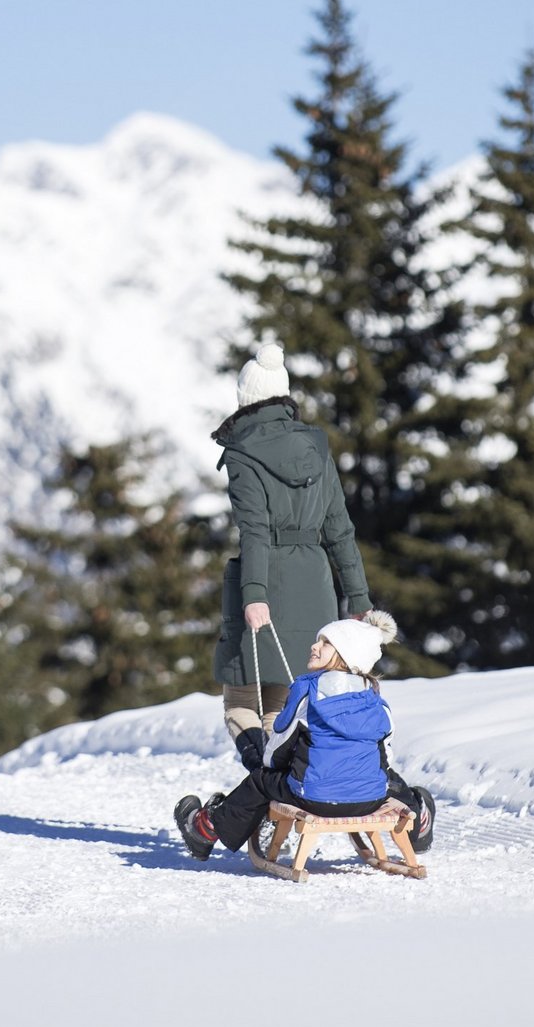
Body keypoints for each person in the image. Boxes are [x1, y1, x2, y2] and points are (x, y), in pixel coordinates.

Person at [211, 344, 370, 762]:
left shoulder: (243, 453)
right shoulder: (317, 447)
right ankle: (279, 798)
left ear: (245, 400)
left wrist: (255, 594)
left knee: (241, 702)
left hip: (266, 583)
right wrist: (358, 598)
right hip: (315, 586)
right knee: (287, 702)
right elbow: (340, 528)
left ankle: (265, 792)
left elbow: (255, 532)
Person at [175, 611, 434, 860]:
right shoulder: (377, 703)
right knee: (385, 775)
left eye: (326, 644)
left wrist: (275, 768)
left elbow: (278, 748)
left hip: (312, 798)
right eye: (318, 640)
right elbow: (385, 754)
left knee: (261, 781)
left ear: (346, 656)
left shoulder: (307, 694)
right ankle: (418, 827)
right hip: (369, 800)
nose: (315, 646)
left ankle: (204, 830)